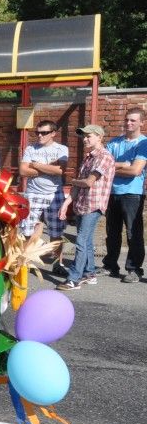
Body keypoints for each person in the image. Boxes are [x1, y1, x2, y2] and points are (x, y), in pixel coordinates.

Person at [57, 125, 115, 291]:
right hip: (82, 204)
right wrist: (66, 204)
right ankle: (89, 274)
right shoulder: (88, 158)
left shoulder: (104, 157)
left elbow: (88, 182)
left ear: (99, 137)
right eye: (84, 136)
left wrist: (74, 181)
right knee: (86, 241)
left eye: (88, 136)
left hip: (94, 205)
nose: (85, 139)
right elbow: (78, 186)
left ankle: (73, 279)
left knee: (81, 241)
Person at [100, 108, 147, 282]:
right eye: (127, 119)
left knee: (133, 233)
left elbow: (135, 171)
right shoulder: (114, 142)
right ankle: (110, 266)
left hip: (132, 193)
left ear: (142, 122)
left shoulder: (143, 143)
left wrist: (114, 167)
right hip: (112, 192)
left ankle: (135, 269)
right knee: (112, 232)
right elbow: (102, 166)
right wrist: (123, 165)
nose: (128, 123)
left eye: (133, 120)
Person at [18, 120, 69, 274]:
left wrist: (36, 165)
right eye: (38, 132)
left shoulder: (61, 149)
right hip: (33, 193)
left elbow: (61, 170)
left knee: (56, 232)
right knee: (27, 230)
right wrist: (49, 168)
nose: (40, 135)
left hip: (54, 193)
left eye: (44, 133)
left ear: (53, 133)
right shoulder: (30, 148)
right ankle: (24, 263)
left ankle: (58, 264)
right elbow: (23, 171)